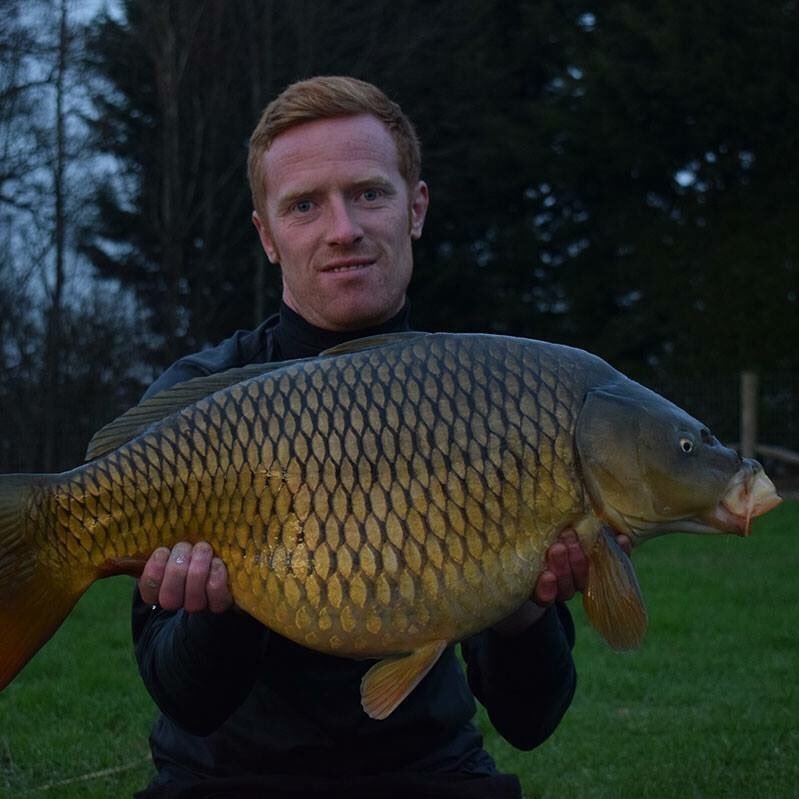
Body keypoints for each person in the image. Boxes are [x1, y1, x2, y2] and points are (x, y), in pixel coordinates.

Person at [133, 75, 619, 799]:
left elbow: (529, 720)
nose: (343, 229)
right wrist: (222, 610)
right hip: (227, 776)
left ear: (414, 207)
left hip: (428, 770)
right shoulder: (196, 404)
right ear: (267, 235)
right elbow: (187, 701)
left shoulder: (498, 391)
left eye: (368, 193)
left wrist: (521, 611)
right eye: (304, 205)